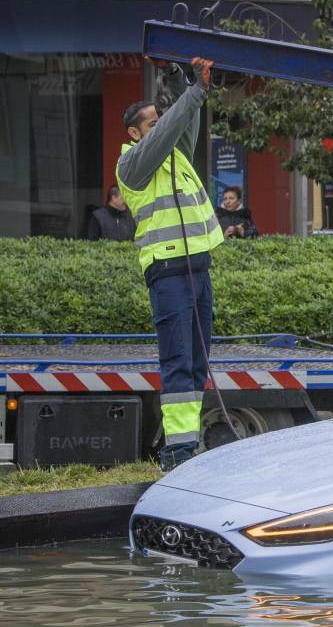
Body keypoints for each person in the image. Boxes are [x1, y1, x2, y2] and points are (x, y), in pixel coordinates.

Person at [116, 57, 222, 471]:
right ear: (133, 134)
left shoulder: (174, 153)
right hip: (168, 273)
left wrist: (179, 79)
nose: (159, 126)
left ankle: (187, 443)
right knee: (178, 361)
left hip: (197, 270)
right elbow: (166, 133)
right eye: (149, 123)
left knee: (196, 362)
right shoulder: (131, 165)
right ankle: (177, 451)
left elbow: (182, 123)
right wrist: (193, 91)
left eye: (160, 119)